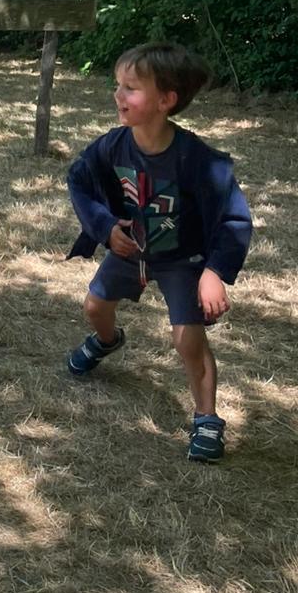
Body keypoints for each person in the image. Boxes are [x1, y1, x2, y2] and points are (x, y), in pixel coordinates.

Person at [65, 42, 252, 463]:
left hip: (182, 260)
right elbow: (78, 180)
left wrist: (214, 272)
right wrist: (105, 226)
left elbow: (234, 218)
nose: (118, 95)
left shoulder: (196, 160)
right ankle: (107, 341)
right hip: (130, 252)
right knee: (94, 307)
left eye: (130, 87)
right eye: (118, 85)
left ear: (166, 100)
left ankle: (207, 419)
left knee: (188, 339)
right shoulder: (113, 146)